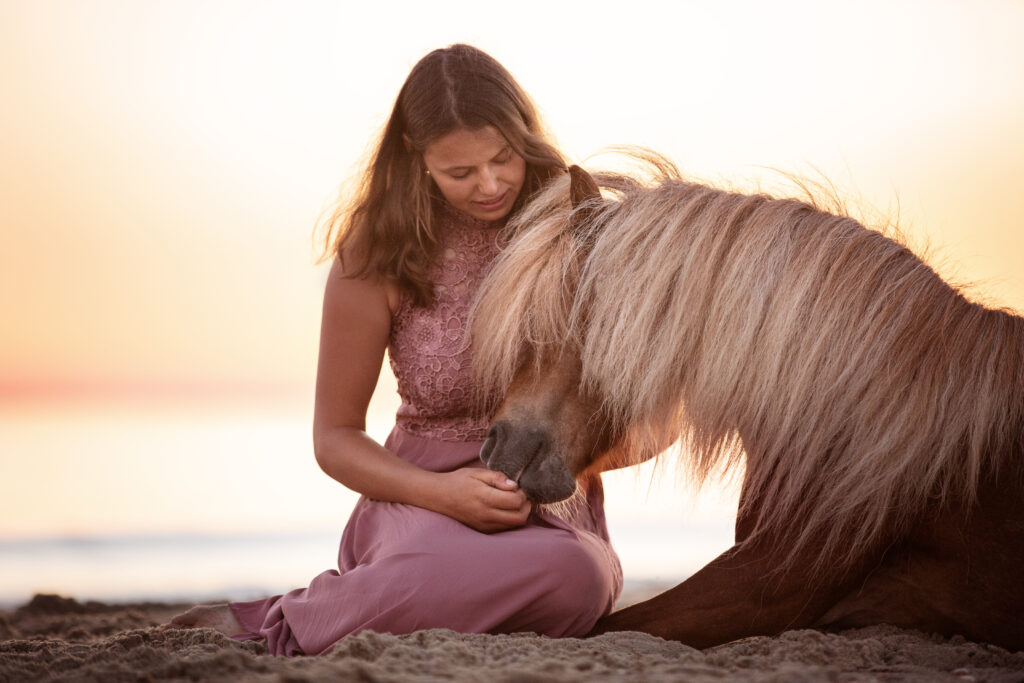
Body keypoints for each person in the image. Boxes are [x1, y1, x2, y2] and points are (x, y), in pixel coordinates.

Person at [169, 44, 622, 656]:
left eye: (503, 159)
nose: (489, 185)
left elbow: (653, 411)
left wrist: (563, 460)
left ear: (524, 139)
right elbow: (334, 439)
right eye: (460, 172)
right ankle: (287, 617)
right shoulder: (374, 256)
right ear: (417, 158)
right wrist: (445, 494)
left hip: (544, 510)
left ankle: (360, 607)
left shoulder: (576, 233)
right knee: (432, 566)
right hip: (417, 497)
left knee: (577, 578)